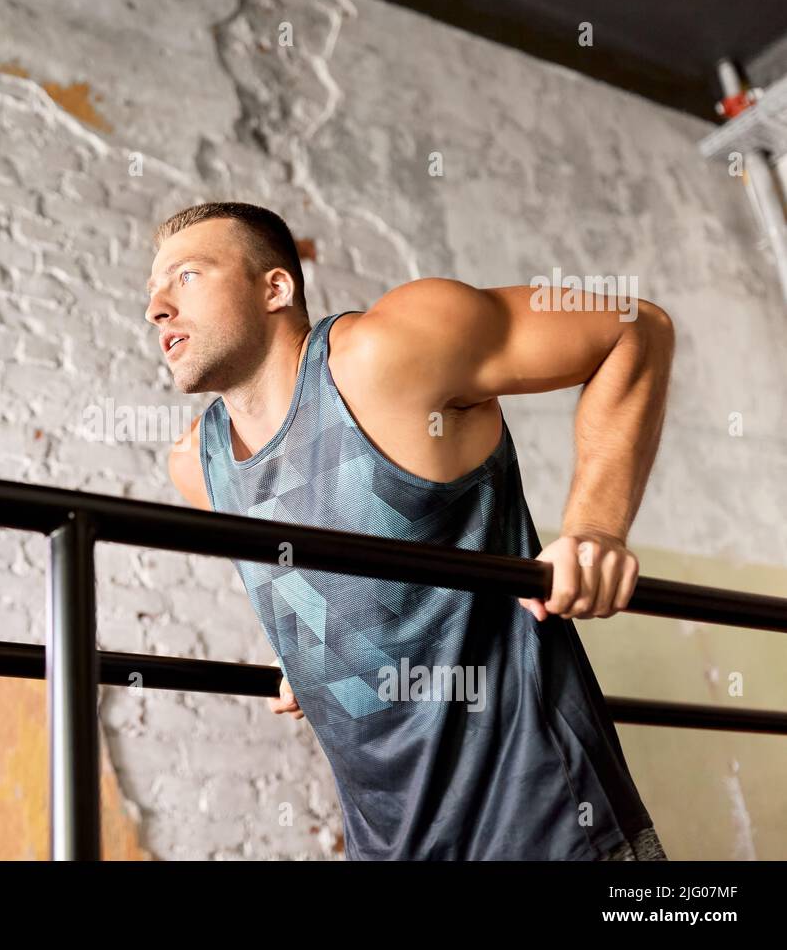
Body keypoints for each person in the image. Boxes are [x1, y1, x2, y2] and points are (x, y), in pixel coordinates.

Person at [150, 201, 674, 860]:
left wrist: (596, 531)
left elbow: (635, 326)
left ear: (275, 287)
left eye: (187, 277)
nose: (158, 309)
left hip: (543, 815)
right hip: (388, 840)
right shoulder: (197, 466)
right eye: (152, 293)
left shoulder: (388, 351)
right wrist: (313, 662)